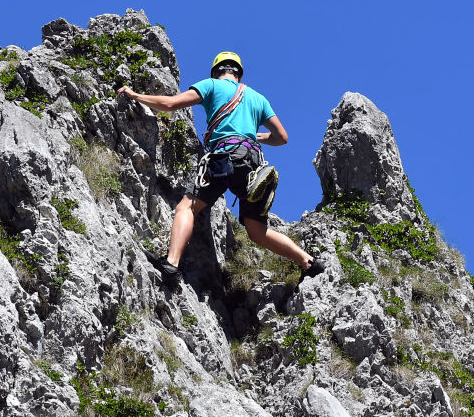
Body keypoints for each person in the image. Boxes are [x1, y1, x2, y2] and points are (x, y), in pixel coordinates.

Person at [117, 51, 324, 286]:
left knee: (187, 207)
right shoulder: (258, 99)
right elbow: (282, 138)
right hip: (253, 164)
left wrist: (134, 95)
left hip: (223, 157)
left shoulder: (212, 86)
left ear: (217, 71)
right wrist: (257, 136)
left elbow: (171, 104)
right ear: (238, 72)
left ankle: (172, 264)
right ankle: (308, 261)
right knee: (256, 231)